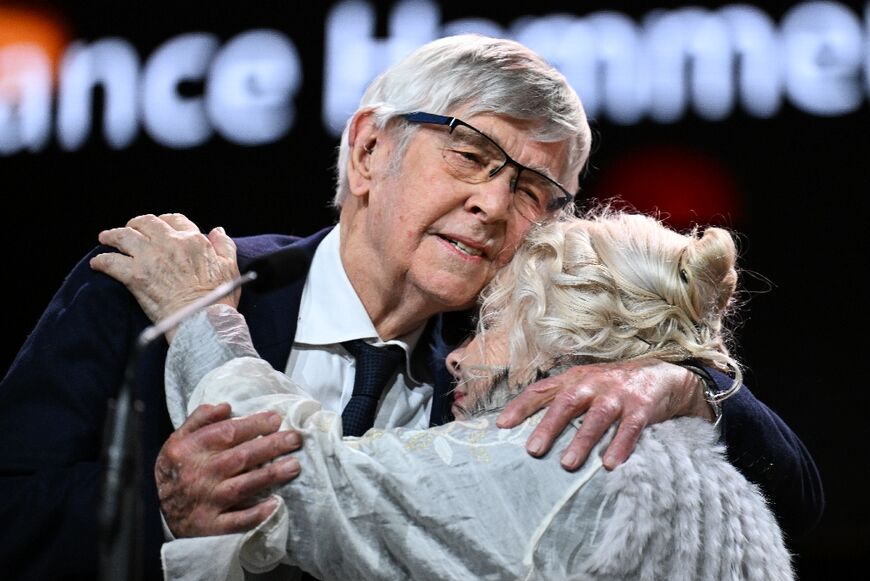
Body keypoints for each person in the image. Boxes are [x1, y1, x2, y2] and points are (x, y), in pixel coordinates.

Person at [0, 34, 820, 581]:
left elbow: (794, 497)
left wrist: (685, 383)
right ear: (367, 151)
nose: (495, 207)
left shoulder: (511, 372)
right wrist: (162, 511)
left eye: (535, 190)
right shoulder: (153, 288)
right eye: (470, 156)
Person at [152, 208, 795, 580]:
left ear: (563, 344)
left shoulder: (561, 453)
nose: (456, 355)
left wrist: (201, 316)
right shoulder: (737, 497)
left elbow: (308, 476)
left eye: (493, 324)